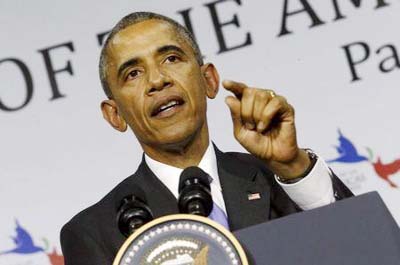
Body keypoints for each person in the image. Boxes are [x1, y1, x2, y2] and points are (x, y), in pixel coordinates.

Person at [60, 12, 353, 265]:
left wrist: (293, 167)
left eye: (171, 58)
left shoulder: (276, 178)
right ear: (115, 115)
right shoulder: (95, 232)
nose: (157, 80)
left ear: (209, 81)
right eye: (133, 73)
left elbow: (364, 249)